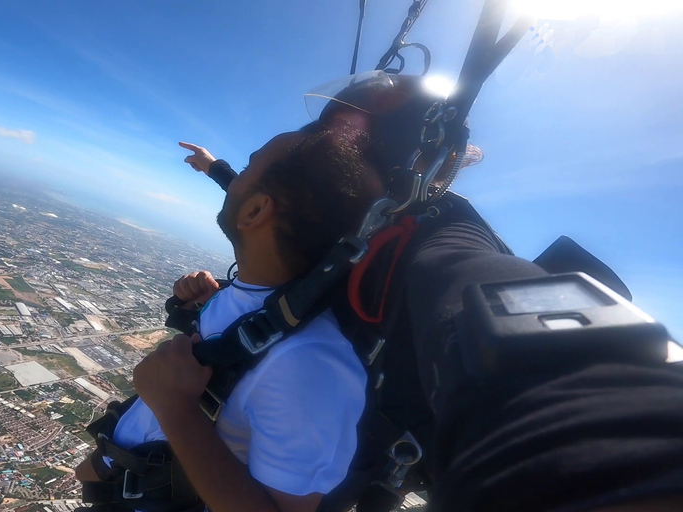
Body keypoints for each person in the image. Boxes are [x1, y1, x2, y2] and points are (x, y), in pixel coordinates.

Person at [178, 117, 683, 511]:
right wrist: (220, 170)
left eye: (340, 137)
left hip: (331, 453)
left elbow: (477, 281)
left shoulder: (440, 228)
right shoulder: (355, 210)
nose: (327, 147)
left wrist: (615, 419)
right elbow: (283, 202)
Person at [77, 121, 385, 512]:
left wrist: (176, 409)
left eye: (249, 166)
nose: (235, 180)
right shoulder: (261, 299)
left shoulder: (310, 363)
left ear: (256, 211)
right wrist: (200, 310)